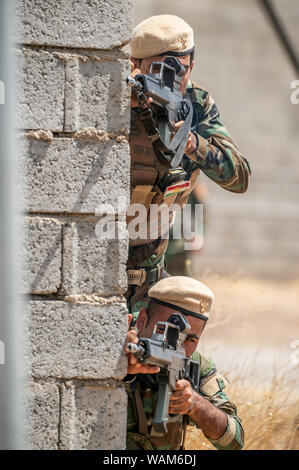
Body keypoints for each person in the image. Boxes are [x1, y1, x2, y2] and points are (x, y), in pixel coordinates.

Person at [126, 14, 251, 317]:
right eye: (160, 70)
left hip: (152, 270)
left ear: (191, 66)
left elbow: (239, 178)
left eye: (179, 71)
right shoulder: (115, 98)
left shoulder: (196, 103)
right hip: (101, 256)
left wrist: (194, 144)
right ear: (134, 64)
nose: (172, 82)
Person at [124, 276, 244, 450]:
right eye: (164, 331)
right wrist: (120, 370)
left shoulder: (195, 365)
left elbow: (235, 442)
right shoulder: (123, 345)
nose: (177, 344)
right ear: (142, 320)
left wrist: (196, 405)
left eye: (190, 339)